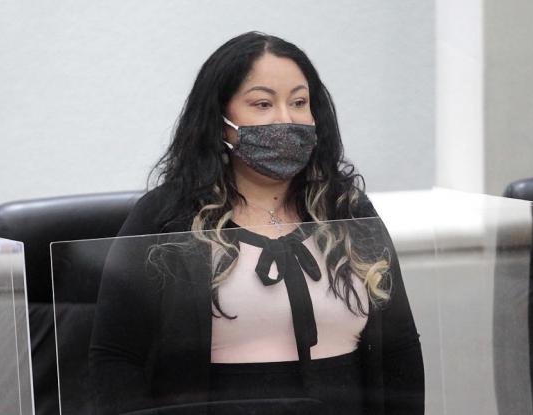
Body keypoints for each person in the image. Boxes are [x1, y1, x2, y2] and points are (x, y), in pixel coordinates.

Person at [89, 31, 424, 415]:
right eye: (263, 104)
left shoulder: (347, 209)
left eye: (299, 102)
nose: (286, 119)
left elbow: (399, 348)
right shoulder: (164, 218)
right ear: (220, 121)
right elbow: (115, 358)